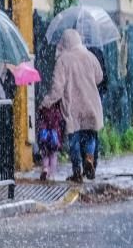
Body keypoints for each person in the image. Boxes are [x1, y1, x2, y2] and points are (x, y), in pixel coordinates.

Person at [41, 29, 103, 183]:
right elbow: (99, 77)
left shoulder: (63, 60)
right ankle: (89, 157)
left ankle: (77, 171)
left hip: (73, 106)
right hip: (91, 103)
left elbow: (57, 88)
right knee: (90, 135)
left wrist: (46, 102)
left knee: (74, 140)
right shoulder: (90, 56)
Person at [37, 103, 63, 181]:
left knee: (45, 154)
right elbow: (60, 123)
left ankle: (45, 169)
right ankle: (51, 174)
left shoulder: (43, 109)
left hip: (45, 137)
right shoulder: (57, 112)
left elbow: (40, 123)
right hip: (54, 138)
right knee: (53, 155)